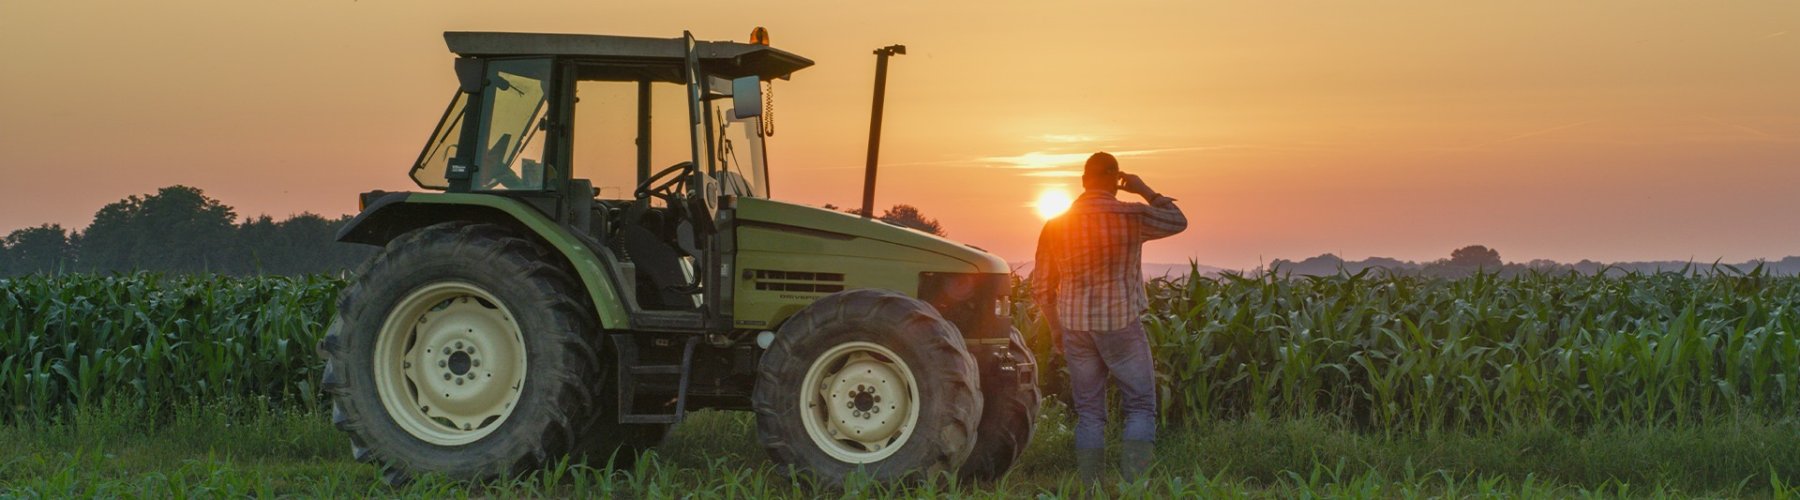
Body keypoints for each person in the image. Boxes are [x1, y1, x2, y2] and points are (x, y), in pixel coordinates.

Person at [1030, 152, 1187, 486]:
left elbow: (1042, 288)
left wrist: (1057, 329)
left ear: (1084, 180)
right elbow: (1177, 220)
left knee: (1089, 413)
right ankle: (1134, 488)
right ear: (1116, 180)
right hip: (1120, 326)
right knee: (1141, 407)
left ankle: (1091, 490)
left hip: (1075, 327)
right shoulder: (1131, 215)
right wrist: (1144, 188)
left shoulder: (1056, 224)